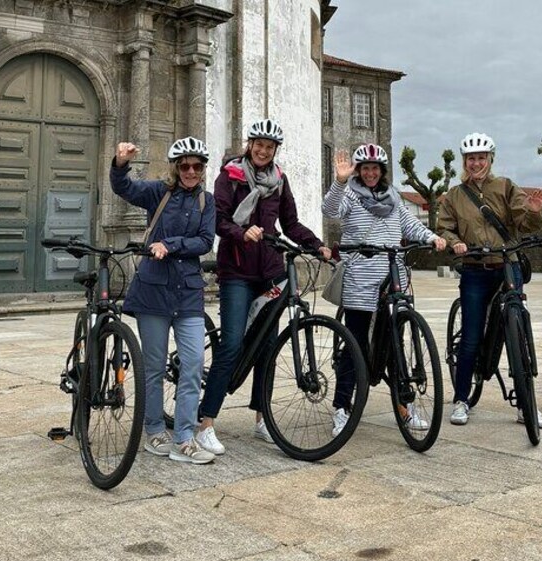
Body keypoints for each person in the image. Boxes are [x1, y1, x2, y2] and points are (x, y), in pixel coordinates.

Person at [195, 119, 331, 455]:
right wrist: (242, 232)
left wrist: (318, 246)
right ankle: (205, 423)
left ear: (274, 151)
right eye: (259, 144)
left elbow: (291, 223)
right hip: (238, 271)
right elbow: (218, 219)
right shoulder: (230, 175)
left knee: (267, 349)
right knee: (231, 345)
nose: (263, 150)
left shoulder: (279, 181)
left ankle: (262, 419)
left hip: (269, 271)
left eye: (269, 147)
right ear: (250, 144)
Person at [322, 143, 447, 437]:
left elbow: (410, 225)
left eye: (374, 168)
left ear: (382, 171)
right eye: (364, 168)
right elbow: (330, 211)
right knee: (354, 344)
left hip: (392, 278)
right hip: (360, 279)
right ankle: (342, 407)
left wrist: (432, 238)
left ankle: (403, 407)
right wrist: (339, 181)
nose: (369, 173)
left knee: (395, 345)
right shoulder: (350, 195)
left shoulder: (393, 197)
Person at [111, 137, 217, 464]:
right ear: (175, 167)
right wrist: (120, 163)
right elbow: (124, 188)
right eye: (184, 165)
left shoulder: (206, 201)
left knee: (193, 365)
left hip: (187, 292)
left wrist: (168, 244)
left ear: (202, 170)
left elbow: (204, 241)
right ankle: (154, 429)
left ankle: (184, 437)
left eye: (196, 166)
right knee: (154, 367)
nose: (190, 171)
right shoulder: (159, 192)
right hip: (154, 290)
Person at [436, 132, 542, 427]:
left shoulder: (505, 187)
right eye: (471, 158)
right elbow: (444, 228)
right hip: (474, 268)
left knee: (518, 330)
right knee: (472, 336)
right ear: (465, 161)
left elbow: (524, 223)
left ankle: (526, 404)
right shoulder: (455, 196)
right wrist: (454, 242)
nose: (476, 163)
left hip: (507, 264)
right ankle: (461, 399)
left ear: (490, 159)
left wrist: (535, 213)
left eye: (481, 158)